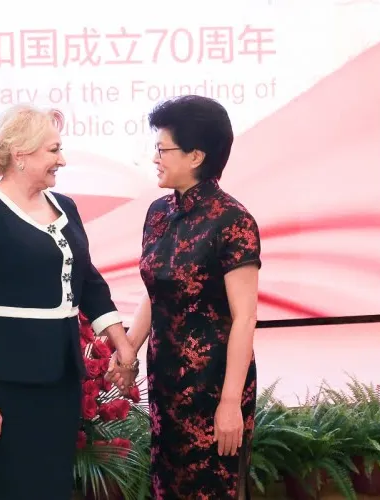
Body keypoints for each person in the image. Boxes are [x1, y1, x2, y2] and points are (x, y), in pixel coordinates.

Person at [0, 104, 139, 500]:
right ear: (21, 154)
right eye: (53, 150)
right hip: (8, 384)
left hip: (62, 379)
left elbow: (88, 281)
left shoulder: (64, 206)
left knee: (52, 486)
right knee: (12, 486)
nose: (62, 160)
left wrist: (123, 345)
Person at [109, 95, 261, 499]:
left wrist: (230, 402)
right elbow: (156, 293)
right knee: (168, 486)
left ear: (195, 155)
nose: (155, 157)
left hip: (214, 386)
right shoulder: (158, 213)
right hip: (166, 382)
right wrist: (127, 350)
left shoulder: (233, 220)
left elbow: (245, 318)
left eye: (163, 149)